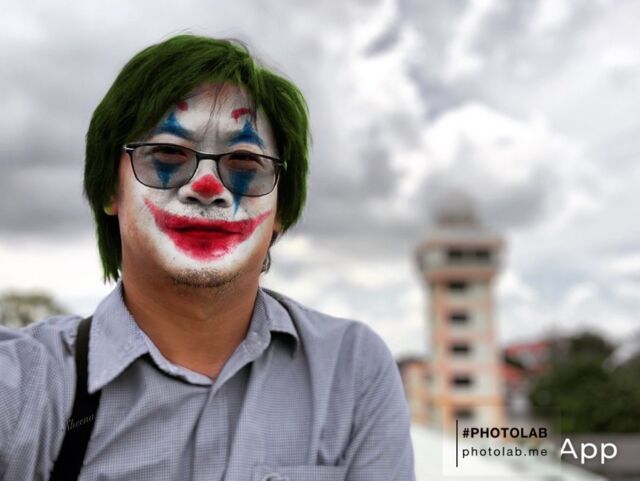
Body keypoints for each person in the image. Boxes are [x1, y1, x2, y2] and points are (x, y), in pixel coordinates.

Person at [0, 34, 415, 480]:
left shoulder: (352, 372)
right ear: (109, 189)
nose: (207, 187)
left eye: (244, 163)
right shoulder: (20, 387)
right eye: (168, 154)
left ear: (281, 208)